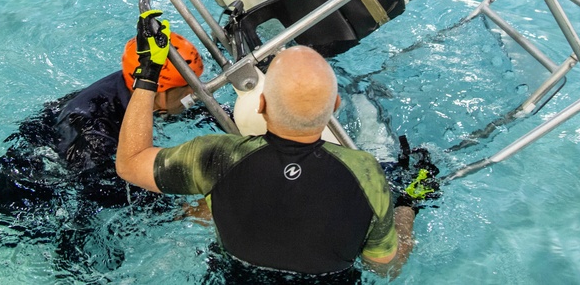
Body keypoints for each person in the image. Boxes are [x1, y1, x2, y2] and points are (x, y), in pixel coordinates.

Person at [117, 31, 416, 278]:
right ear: (335, 106)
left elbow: (130, 163)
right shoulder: (366, 172)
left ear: (260, 104)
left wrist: (148, 75)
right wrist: (407, 209)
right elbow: (384, 267)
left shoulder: (216, 157)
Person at [0, 32, 204, 262]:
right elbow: (105, 189)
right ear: (159, 94)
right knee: (75, 246)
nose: (197, 92)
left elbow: (178, 107)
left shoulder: (139, 84)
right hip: (34, 183)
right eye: (189, 89)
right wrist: (182, 212)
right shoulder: (97, 132)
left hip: (61, 136)